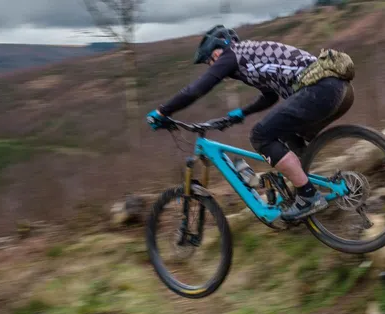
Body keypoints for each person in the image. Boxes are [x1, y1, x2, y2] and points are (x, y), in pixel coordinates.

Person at [146, 25, 356, 221]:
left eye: (209, 61)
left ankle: (309, 196)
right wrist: (240, 113)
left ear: (217, 53)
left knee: (260, 135)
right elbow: (270, 97)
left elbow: (196, 89)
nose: (211, 66)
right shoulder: (249, 55)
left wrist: (162, 111)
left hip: (321, 90)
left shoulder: (231, 55)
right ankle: (309, 189)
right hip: (340, 91)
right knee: (285, 136)